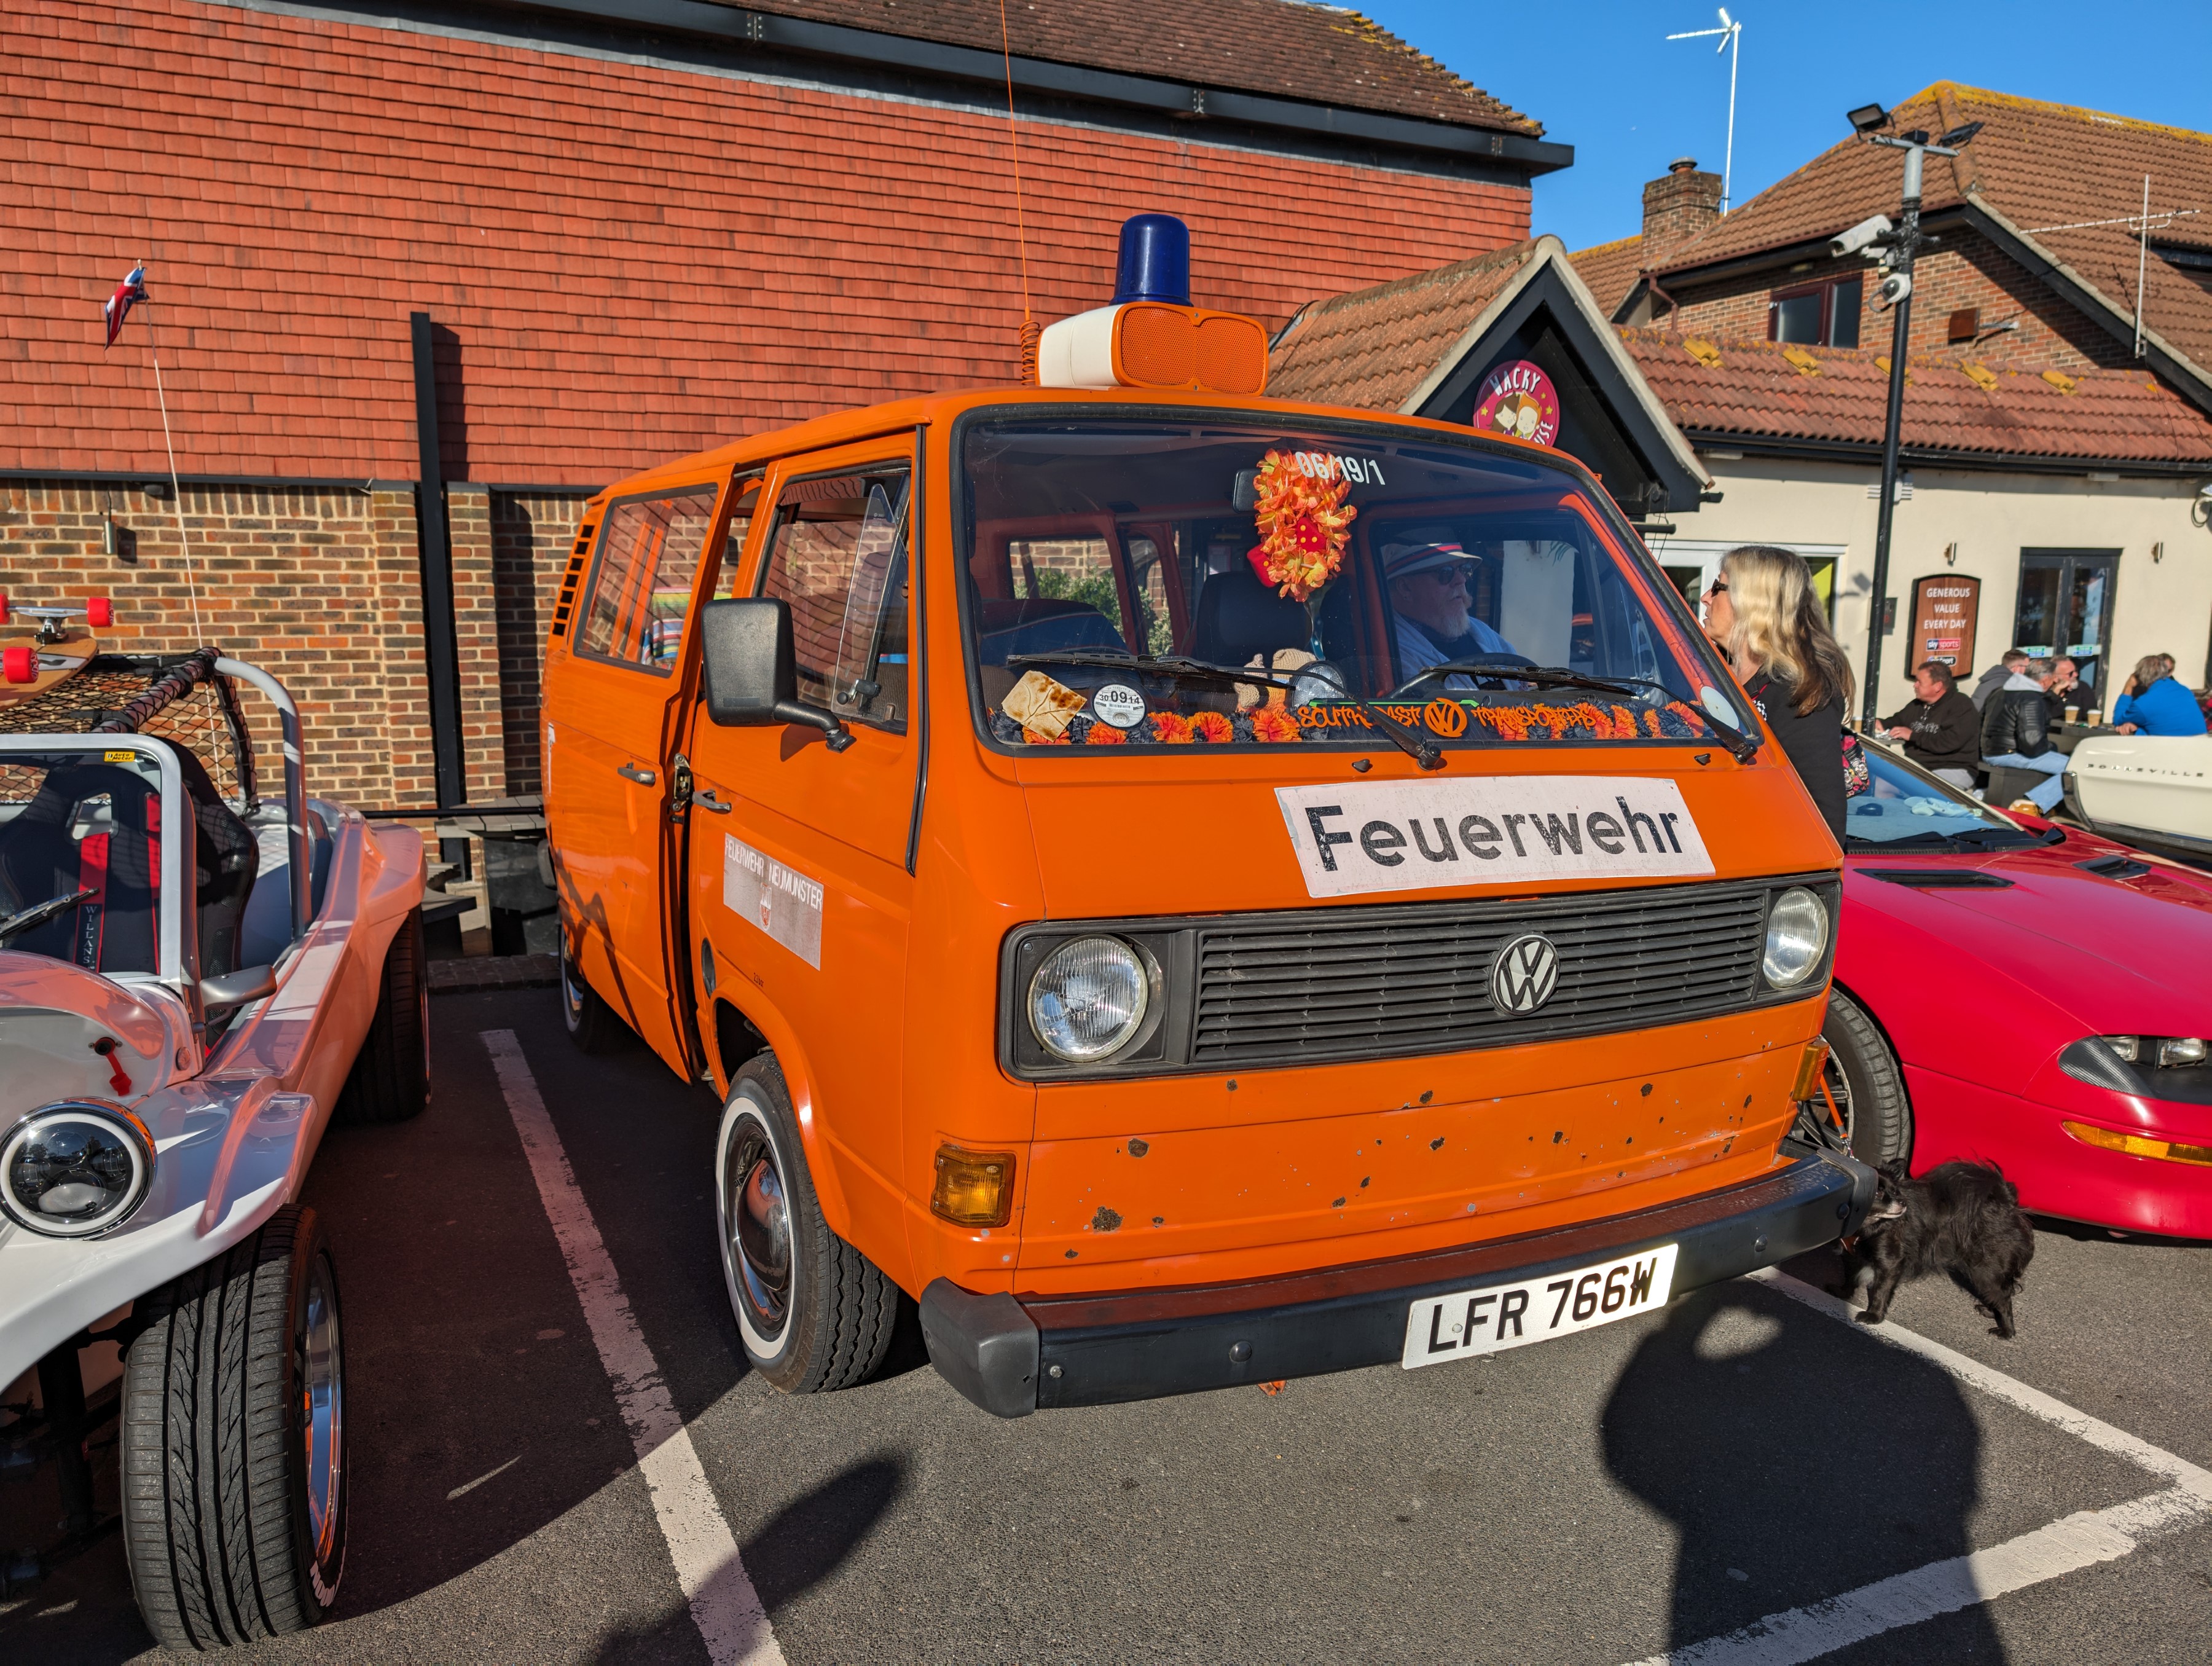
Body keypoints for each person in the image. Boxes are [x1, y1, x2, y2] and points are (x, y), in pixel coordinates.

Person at [1702, 545, 1853, 841]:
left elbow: (1822, 820)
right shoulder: (1715, 673)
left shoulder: (1798, 690)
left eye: (1718, 587)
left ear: (1753, 602)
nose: (1706, 597)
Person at [1382, 527, 1516, 688]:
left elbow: (1523, 681)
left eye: (1464, 570)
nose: (1461, 580)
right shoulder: (1395, 654)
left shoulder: (1480, 630)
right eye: (1445, 572)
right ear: (1405, 588)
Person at [1981, 656, 2068, 812]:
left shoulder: (1999, 691)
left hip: (1989, 752)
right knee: (2075, 770)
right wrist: (2050, 746)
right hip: (2009, 755)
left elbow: (1981, 722)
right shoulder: (2031, 698)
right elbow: (2032, 744)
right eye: (2053, 679)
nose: (2054, 682)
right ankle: (2032, 805)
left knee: (2059, 757)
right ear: (2046, 680)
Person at [1881, 661, 1980, 788]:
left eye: (1920, 682)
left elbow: (1949, 742)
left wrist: (1913, 736)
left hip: (1952, 768)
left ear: (1938, 686)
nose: (1915, 685)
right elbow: (1895, 722)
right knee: (1879, 786)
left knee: (1921, 789)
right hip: (1916, 767)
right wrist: (1877, 724)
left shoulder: (1961, 706)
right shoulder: (1916, 705)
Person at [2112, 653, 2210, 737]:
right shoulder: (2184, 691)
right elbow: (2165, 724)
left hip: (2173, 749)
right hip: (2200, 746)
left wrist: (2129, 686)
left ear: (2140, 676)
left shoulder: (2143, 704)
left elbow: (2118, 720)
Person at [1970, 648, 2029, 712]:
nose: (2029, 670)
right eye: (2027, 667)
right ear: (2017, 668)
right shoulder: (2010, 686)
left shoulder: (1990, 679)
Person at [2041, 656, 2093, 725]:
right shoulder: (2044, 690)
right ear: (2055, 677)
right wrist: (2056, 691)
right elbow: (2043, 716)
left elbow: (2091, 714)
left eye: (2076, 671)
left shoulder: (2082, 687)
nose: (2076, 675)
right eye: (2070, 674)